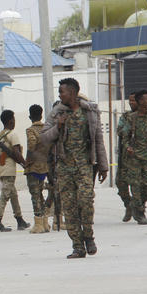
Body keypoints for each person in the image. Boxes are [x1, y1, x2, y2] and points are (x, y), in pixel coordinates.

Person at [40, 78, 108, 259]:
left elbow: (98, 139)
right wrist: (58, 127)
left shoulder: (89, 112)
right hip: (64, 168)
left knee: (86, 202)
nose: (60, 95)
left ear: (72, 92)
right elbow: (44, 138)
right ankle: (78, 246)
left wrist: (103, 166)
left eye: (62, 92)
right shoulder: (56, 113)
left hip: (85, 166)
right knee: (69, 208)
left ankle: (88, 235)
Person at [121, 90, 147, 225]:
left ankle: (136, 205)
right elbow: (125, 136)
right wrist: (128, 147)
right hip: (134, 156)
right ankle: (140, 213)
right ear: (140, 101)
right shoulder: (131, 117)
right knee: (135, 186)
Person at [0, 110, 29, 232]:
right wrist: (25, 163)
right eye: (13, 119)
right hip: (8, 169)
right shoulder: (12, 134)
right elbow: (17, 152)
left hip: (1, 168)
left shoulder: (0, 135)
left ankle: (20, 220)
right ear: (10, 121)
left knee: (13, 195)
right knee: (5, 195)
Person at [24, 104, 50, 234]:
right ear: (41, 114)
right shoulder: (47, 129)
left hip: (34, 166)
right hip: (45, 165)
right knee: (41, 194)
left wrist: (27, 161)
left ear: (30, 116)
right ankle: (45, 222)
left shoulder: (30, 130)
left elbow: (31, 145)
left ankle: (38, 224)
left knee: (35, 195)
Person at [116, 92, 138, 222]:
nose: (131, 103)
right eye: (129, 101)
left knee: (140, 186)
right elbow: (120, 131)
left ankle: (138, 209)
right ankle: (128, 205)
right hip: (125, 157)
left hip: (139, 157)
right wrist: (130, 126)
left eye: (133, 101)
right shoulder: (125, 117)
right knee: (120, 183)